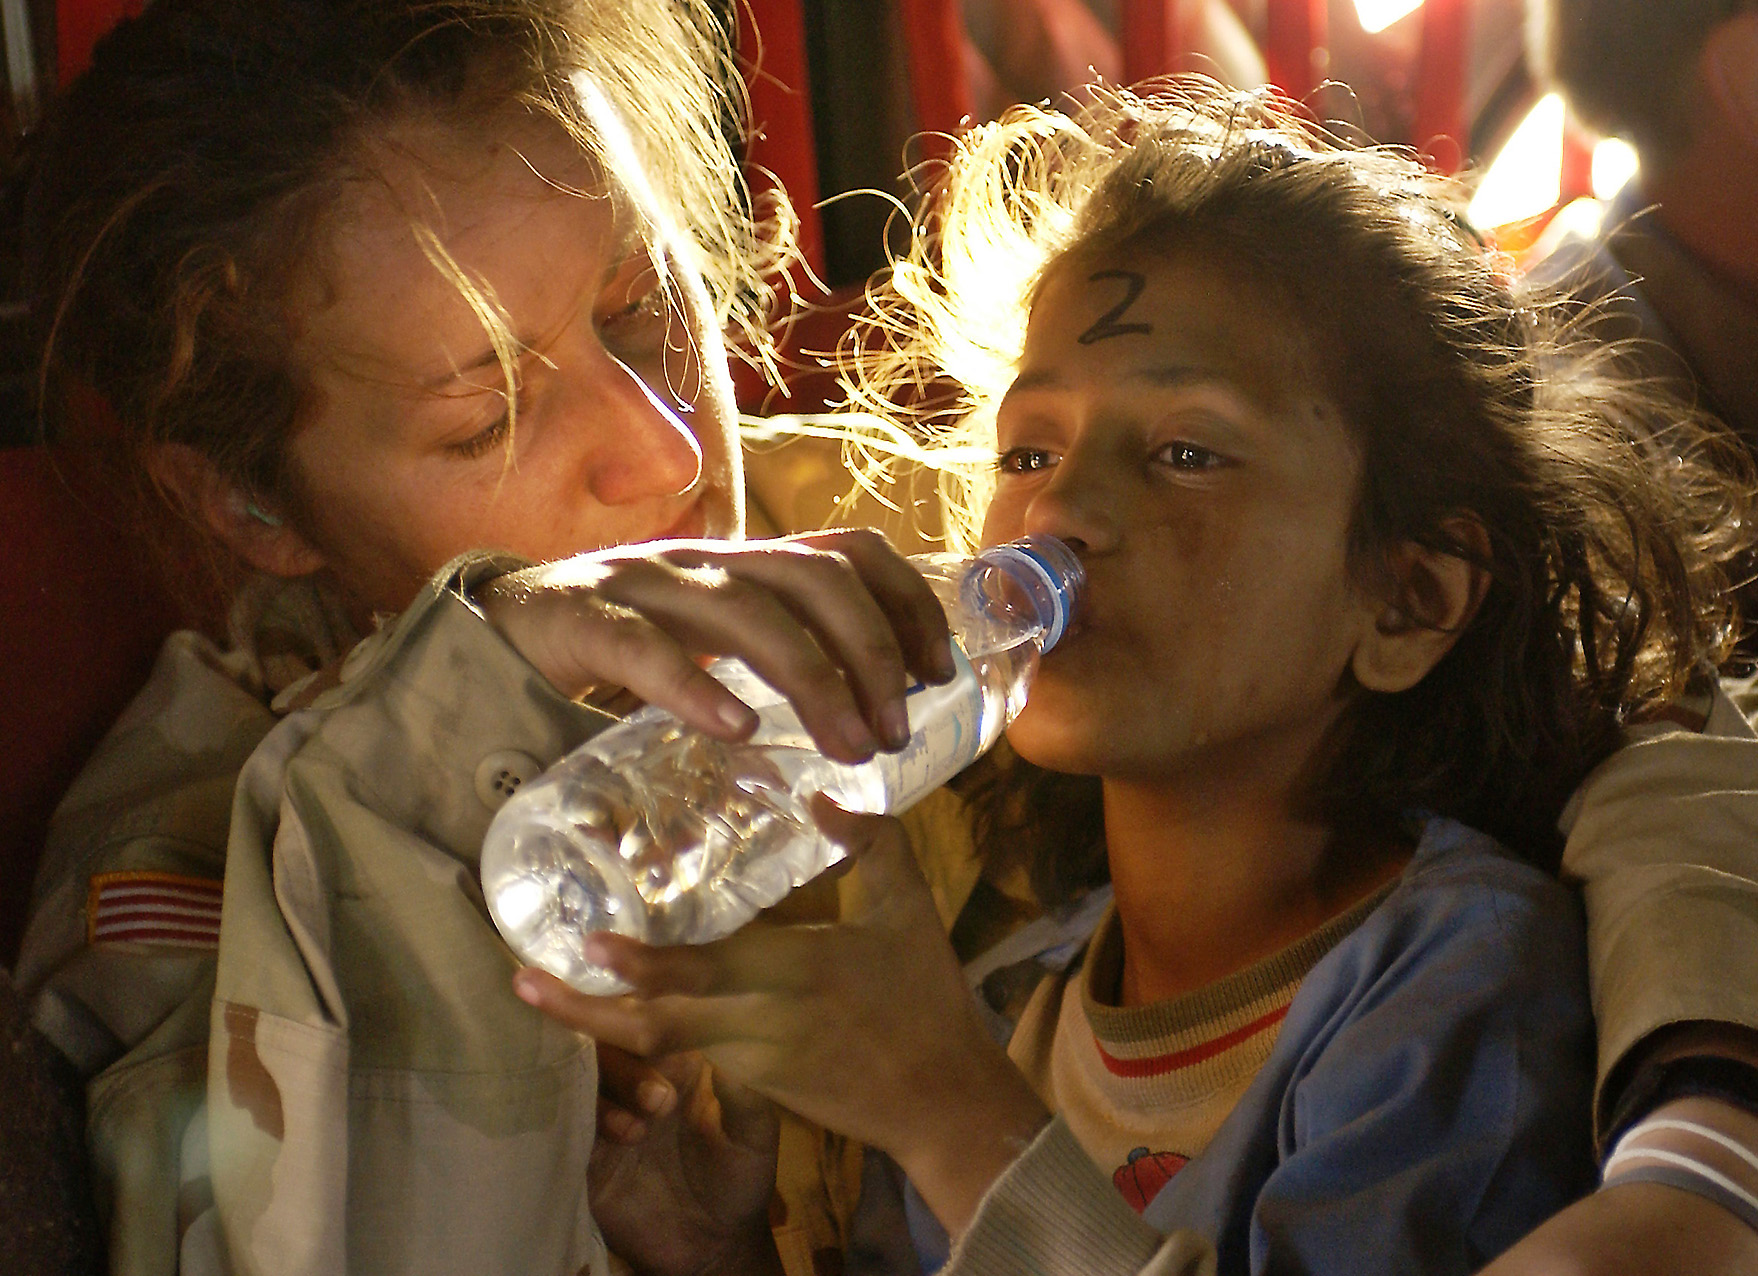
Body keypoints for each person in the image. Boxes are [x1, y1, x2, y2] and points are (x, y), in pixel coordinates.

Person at [514, 81, 1758, 1274]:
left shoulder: (1456, 984)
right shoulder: (1011, 997)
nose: (1061, 510)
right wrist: (719, 1251)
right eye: (1029, 450)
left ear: (1409, 600)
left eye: (1185, 452)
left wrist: (950, 1116)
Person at [10, 2, 957, 1273]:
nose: (667, 449)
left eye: (643, 307)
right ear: (247, 502)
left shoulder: (931, 532)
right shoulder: (202, 867)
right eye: (486, 419)